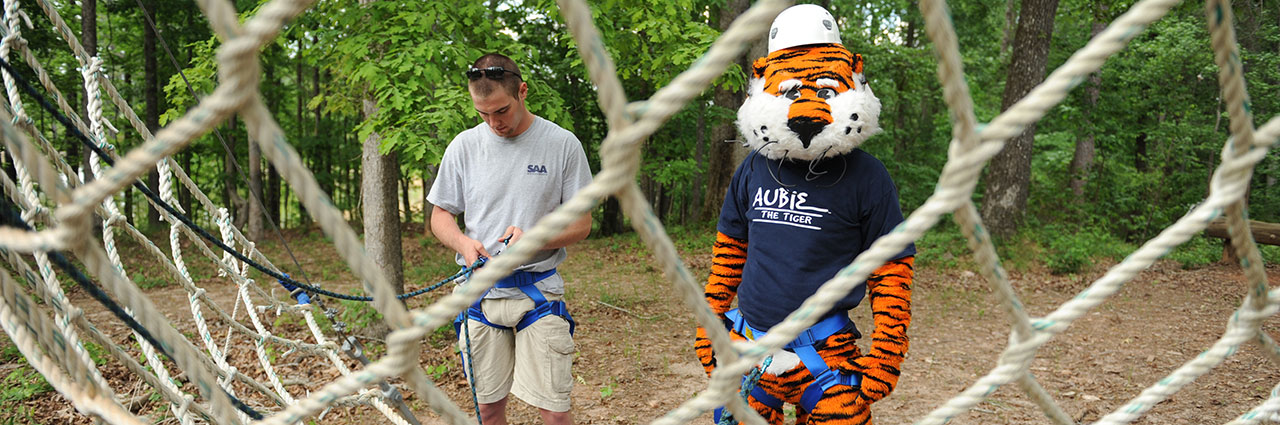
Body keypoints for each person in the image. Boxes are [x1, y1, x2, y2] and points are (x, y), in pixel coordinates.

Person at [693, 5, 916, 424]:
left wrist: (886, 355)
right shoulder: (753, 167)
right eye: (792, 91)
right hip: (749, 353)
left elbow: (892, 270)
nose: (806, 110)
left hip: (830, 360)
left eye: (827, 89)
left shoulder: (868, 176)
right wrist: (710, 332)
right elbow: (728, 254)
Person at [428, 53, 592, 425]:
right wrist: (463, 244)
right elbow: (440, 216)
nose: (492, 123)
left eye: (500, 111)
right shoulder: (464, 146)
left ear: (522, 91)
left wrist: (533, 239)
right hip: (480, 296)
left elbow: (582, 224)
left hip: (538, 292)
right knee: (487, 409)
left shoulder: (562, 145)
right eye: (482, 113)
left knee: (554, 412)